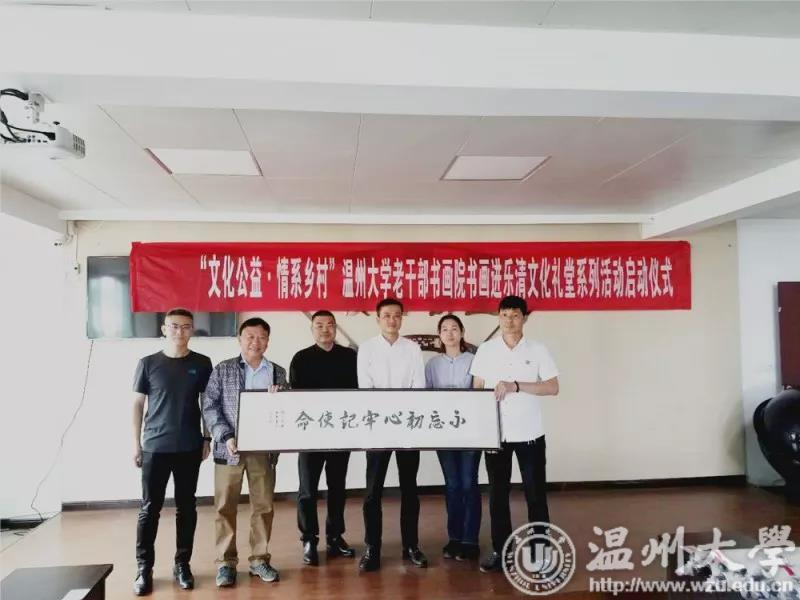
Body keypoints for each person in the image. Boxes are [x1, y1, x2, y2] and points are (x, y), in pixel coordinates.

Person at [469, 295, 559, 573]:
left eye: (515, 315)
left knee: (535, 494)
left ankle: (540, 552)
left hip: (530, 433)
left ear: (525, 318)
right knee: (498, 495)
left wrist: (517, 386)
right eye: (504, 315)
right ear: (498, 318)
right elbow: (477, 388)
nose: (509, 321)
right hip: (496, 435)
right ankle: (501, 550)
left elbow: (552, 387)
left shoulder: (538, 349)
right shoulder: (486, 350)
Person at [132, 308, 213, 596]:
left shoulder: (202, 363)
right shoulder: (148, 363)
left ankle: (182, 564)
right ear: (165, 329)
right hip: (155, 446)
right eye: (175, 326)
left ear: (192, 330)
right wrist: (136, 444)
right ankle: (144, 568)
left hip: (189, 446)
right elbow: (137, 405)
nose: (180, 331)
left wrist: (206, 437)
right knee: (149, 509)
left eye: (186, 326)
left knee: (186, 507)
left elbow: (207, 402)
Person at [202, 317, 286, 587]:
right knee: (224, 506)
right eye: (250, 336)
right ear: (240, 339)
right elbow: (210, 406)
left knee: (264, 506)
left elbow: (286, 409)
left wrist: (282, 395)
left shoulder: (277, 372)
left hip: (262, 451)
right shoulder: (223, 369)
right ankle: (225, 563)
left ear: (268, 341)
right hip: (230, 448)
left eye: (261, 337)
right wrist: (225, 435)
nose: (255, 342)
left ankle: (259, 559)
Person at [357, 297, 428, 571]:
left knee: (410, 488)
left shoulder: (412, 348)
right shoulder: (367, 348)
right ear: (378, 319)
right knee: (372, 491)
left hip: (407, 426)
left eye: (397, 315)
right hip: (377, 427)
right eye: (386, 315)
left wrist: (402, 410)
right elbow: (366, 388)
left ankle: (411, 546)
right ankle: (372, 548)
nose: (392, 320)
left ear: (402, 318)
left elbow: (418, 386)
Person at [290, 310, 358, 566]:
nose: (325, 329)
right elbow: (296, 397)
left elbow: (357, 393)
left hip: (340, 433)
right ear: (312, 329)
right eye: (319, 325)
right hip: (310, 435)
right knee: (307, 490)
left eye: (330, 325)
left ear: (335, 328)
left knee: (337, 487)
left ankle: (335, 537)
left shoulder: (349, 357)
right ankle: (309, 539)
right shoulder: (301, 358)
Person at [425, 314, 481, 562]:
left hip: (470, 432)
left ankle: (470, 540)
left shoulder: (475, 361)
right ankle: (455, 538)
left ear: (462, 332)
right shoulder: (432, 365)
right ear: (439, 335)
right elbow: (426, 398)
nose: (450, 333)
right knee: (452, 485)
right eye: (445, 329)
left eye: (454, 328)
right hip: (444, 433)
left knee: (469, 483)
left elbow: (480, 394)